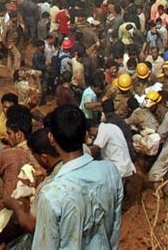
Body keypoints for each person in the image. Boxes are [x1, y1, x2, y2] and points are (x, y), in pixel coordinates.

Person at [32, 105, 122, 249]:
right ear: (86, 136)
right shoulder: (110, 172)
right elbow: (114, 230)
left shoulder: (52, 195)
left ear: (51, 138)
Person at [0, 105, 42, 246]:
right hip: (36, 217)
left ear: (19, 135)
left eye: (9, 133)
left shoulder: (7, 154)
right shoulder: (40, 153)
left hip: (14, 220)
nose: (5, 137)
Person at [87, 114, 135, 181]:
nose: (90, 136)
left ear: (92, 128)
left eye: (89, 133)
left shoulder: (103, 130)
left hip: (118, 168)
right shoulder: (109, 126)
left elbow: (95, 149)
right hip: (124, 165)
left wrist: (82, 150)